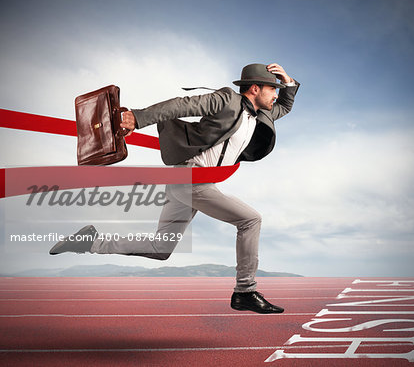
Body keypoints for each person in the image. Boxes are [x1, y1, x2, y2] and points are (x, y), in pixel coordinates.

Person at [50, 63, 300, 314]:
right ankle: (245, 290)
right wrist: (139, 117)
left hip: (190, 183)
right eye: (272, 88)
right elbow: (182, 105)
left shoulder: (261, 114)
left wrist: (287, 80)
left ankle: (90, 241)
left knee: (161, 248)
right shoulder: (226, 100)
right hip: (191, 179)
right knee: (250, 220)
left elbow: (285, 106)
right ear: (255, 88)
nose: (276, 94)